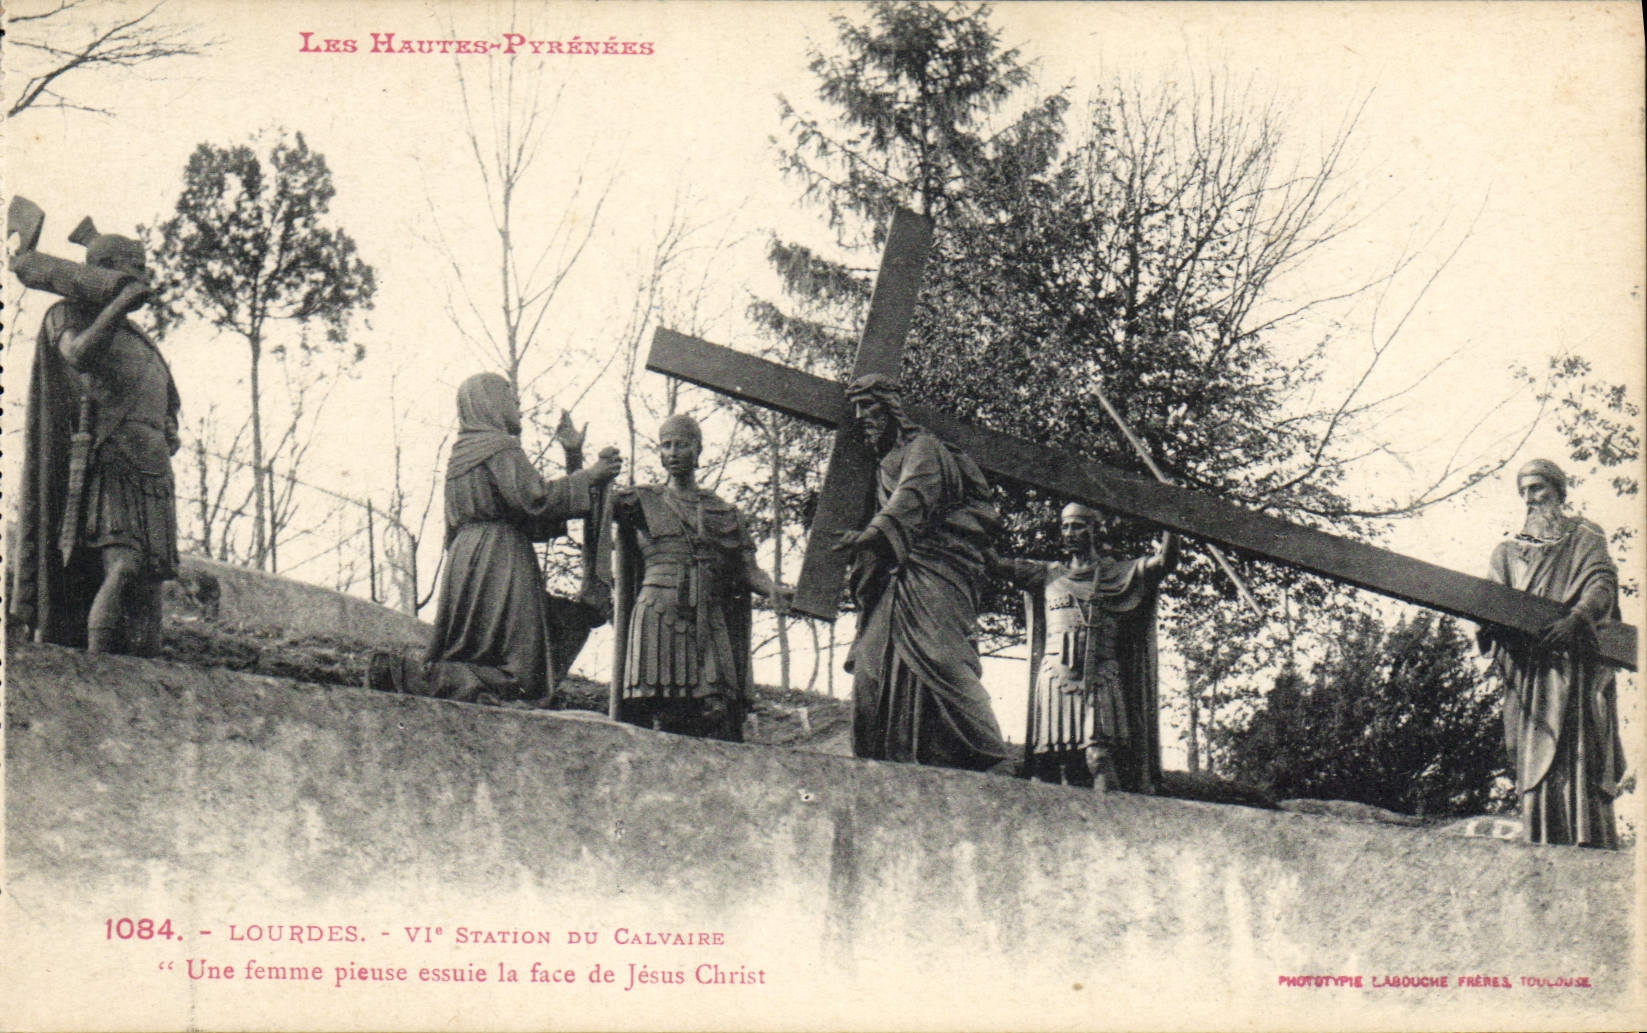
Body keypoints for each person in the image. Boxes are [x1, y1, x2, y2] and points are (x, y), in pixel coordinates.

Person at [833, 374, 1015, 773]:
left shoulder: (924, 448)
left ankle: (993, 756)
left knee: (942, 658)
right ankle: (881, 761)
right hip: (894, 578)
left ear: (892, 407)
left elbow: (912, 497)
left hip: (936, 572)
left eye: (869, 405)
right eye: (857, 408)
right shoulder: (883, 463)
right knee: (869, 668)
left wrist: (871, 536)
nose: (862, 416)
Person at [9, 230, 180, 656]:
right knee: (124, 566)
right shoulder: (65, 315)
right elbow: (79, 355)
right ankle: (97, 665)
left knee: (151, 581)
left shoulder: (139, 338)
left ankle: (149, 675)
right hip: (112, 460)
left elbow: (163, 396)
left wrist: (167, 426)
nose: (142, 277)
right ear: (103, 273)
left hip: (153, 466)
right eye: (132, 268)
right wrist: (120, 304)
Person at [421, 373, 621, 704]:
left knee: (486, 654)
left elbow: (532, 516)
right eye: (509, 396)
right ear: (490, 402)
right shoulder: (499, 447)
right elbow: (539, 502)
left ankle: (444, 679)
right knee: (523, 670)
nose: (518, 404)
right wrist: (591, 474)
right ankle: (435, 679)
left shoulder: (462, 454)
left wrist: (573, 456)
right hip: (500, 559)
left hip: (467, 562)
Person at [611, 414, 792, 741]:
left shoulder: (723, 511)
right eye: (666, 445)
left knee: (717, 708)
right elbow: (591, 503)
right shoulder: (641, 500)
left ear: (698, 450)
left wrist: (772, 590)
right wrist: (575, 458)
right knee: (660, 707)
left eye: (682, 444)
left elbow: (747, 569)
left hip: (707, 616)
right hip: (657, 610)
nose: (673, 452)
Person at [1478, 458, 1624, 848]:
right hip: (1528, 671)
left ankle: (1584, 837)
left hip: (1573, 669)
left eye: (1538, 488)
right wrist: (1490, 627)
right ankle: (1541, 836)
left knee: (1577, 752)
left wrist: (1576, 620)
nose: (1530, 498)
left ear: (1559, 491)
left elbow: (1602, 584)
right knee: (1531, 755)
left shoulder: (1585, 536)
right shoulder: (1506, 552)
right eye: (1524, 491)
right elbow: (1489, 607)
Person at [998, 503, 1178, 792]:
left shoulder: (1117, 573)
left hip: (1100, 676)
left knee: (1100, 758)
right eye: (1066, 526)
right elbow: (997, 564)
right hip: (1055, 677)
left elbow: (1163, 563)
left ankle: (1117, 828)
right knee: (1061, 766)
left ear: (1095, 530)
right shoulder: (1048, 575)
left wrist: (1173, 520)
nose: (1070, 533)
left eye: (1078, 526)